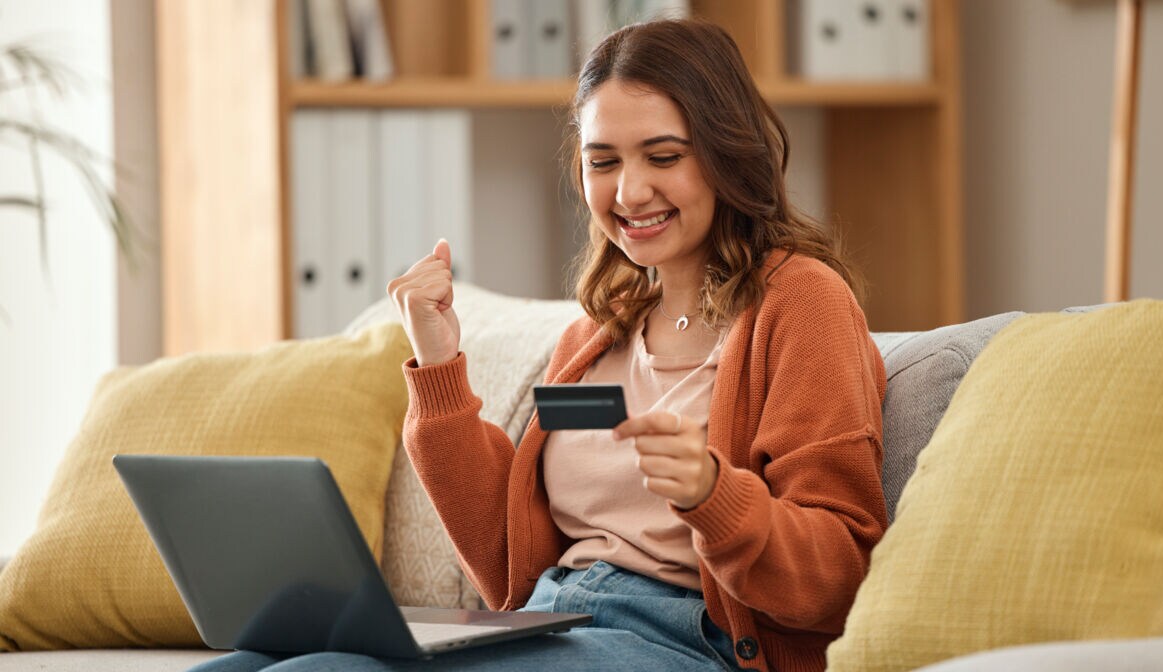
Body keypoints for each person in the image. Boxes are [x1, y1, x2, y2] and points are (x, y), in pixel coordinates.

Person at [193, 18, 887, 672]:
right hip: (549, 620)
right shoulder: (598, 332)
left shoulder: (801, 303)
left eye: (664, 156)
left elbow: (838, 573)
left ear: (726, 151)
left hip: (682, 640)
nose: (630, 189)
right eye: (603, 161)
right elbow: (506, 563)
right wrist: (439, 366)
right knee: (255, 663)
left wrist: (714, 494)